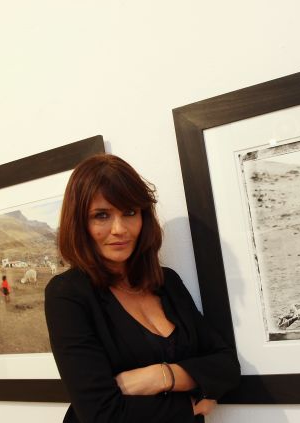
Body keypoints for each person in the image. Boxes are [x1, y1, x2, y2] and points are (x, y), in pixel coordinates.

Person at [44, 154, 240, 423]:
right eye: (101, 215)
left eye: (129, 212)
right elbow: (101, 414)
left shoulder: (167, 282)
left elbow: (227, 366)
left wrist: (159, 376)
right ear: (80, 224)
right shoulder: (67, 294)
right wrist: (191, 404)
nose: (119, 229)